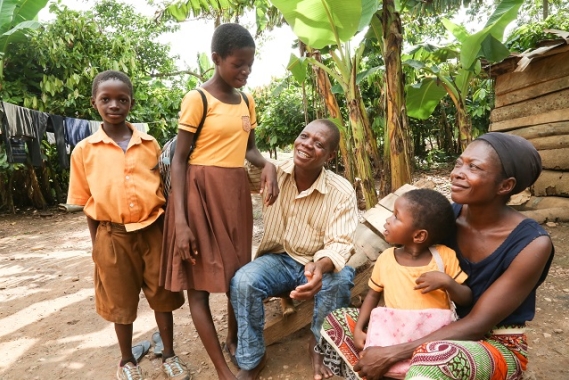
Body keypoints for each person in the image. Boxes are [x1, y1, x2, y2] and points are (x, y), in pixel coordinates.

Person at [318, 132, 555, 380]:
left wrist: (391, 352)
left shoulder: (531, 244)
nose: (457, 173)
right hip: (432, 326)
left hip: (491, 341)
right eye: (458, 163)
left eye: (473, 167)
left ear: (505, 186)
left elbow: (479, 324)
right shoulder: (443, 218)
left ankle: (402, 369)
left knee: (436, 357)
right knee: (338, 323)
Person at [159, 23, 278, 380]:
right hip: (198, 194)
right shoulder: (198, 99)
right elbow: (179, 161)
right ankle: (224, 371)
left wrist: (268, 164)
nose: (244, 72)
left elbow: (250, 149)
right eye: (237, 64)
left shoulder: (246, 100)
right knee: (199, 288)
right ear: (216, 59)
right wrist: (180, 222)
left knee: (237, 277)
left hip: (235, 194)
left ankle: (233, 340)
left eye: (249, 66)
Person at [67, 70, 189, 380]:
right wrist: (98, 245)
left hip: (153, 230)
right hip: (112, 235)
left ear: (131, 103)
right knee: (119, 301)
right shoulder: (84, 151)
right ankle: (126, 361)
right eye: (105, 99)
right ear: (94, 102)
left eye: (122, 99)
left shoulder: (149, 144)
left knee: (162, 296)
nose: (114, 105)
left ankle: (170, 355)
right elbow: (87, 204)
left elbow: (164, 188)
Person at [230, 119, 359, 380]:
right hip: (278, 259)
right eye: (304, 136)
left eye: (319, 144)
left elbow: (340, 244)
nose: (307, 145)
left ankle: (319, 347)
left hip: (315, 263)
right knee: (243, 281)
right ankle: (253, 358)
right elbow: (234, 168)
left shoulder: (341, 191)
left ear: (330, 155)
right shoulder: (273, 170)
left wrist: (320, 267)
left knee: (340, 280)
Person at [353, 188, 472, 352]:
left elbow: (466, 298)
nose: (388, 220)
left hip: (433, 338)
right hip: (396, 333)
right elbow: (373, 294)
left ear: (419, 236)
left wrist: (447, 282)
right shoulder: (386, 258)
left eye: (396, 216)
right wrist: (358, 329)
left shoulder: (444, 256)